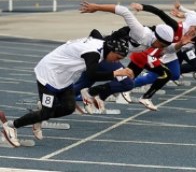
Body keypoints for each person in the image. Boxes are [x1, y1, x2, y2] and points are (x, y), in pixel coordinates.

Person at [0, 33, 133, 147]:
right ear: (110, 49)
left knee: (69, 107)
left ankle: (36, 118)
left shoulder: (102, 43)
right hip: (49, 75)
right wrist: (116, 74)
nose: (117, 62)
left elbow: (94, 32)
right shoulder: (93, 53)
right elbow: (92, 75)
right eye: (117, 58)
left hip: (64, 76)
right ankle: (11, 127)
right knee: (47, 112)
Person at [76, 1, 188, 112]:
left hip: (106, 56)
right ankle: (90, 94)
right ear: (157, 37)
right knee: (127, 83)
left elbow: (169, 49)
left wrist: (181, 44)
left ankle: (68, 100)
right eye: (161, 45)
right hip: (105, 54)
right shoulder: (141, 32)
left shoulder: (155, 42)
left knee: (79, 86)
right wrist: (97, 6)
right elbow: (124, 11)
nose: (161, 48)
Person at [121, 2, 196, 104]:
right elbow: (160, 13)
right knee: (157, 73)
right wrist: (142, 7)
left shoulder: (193, 36)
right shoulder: (175, 26)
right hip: (158, 50)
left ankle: (140, 82)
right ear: (190, 25)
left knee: (175, 74)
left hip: (171, 52)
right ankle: (128, 87)